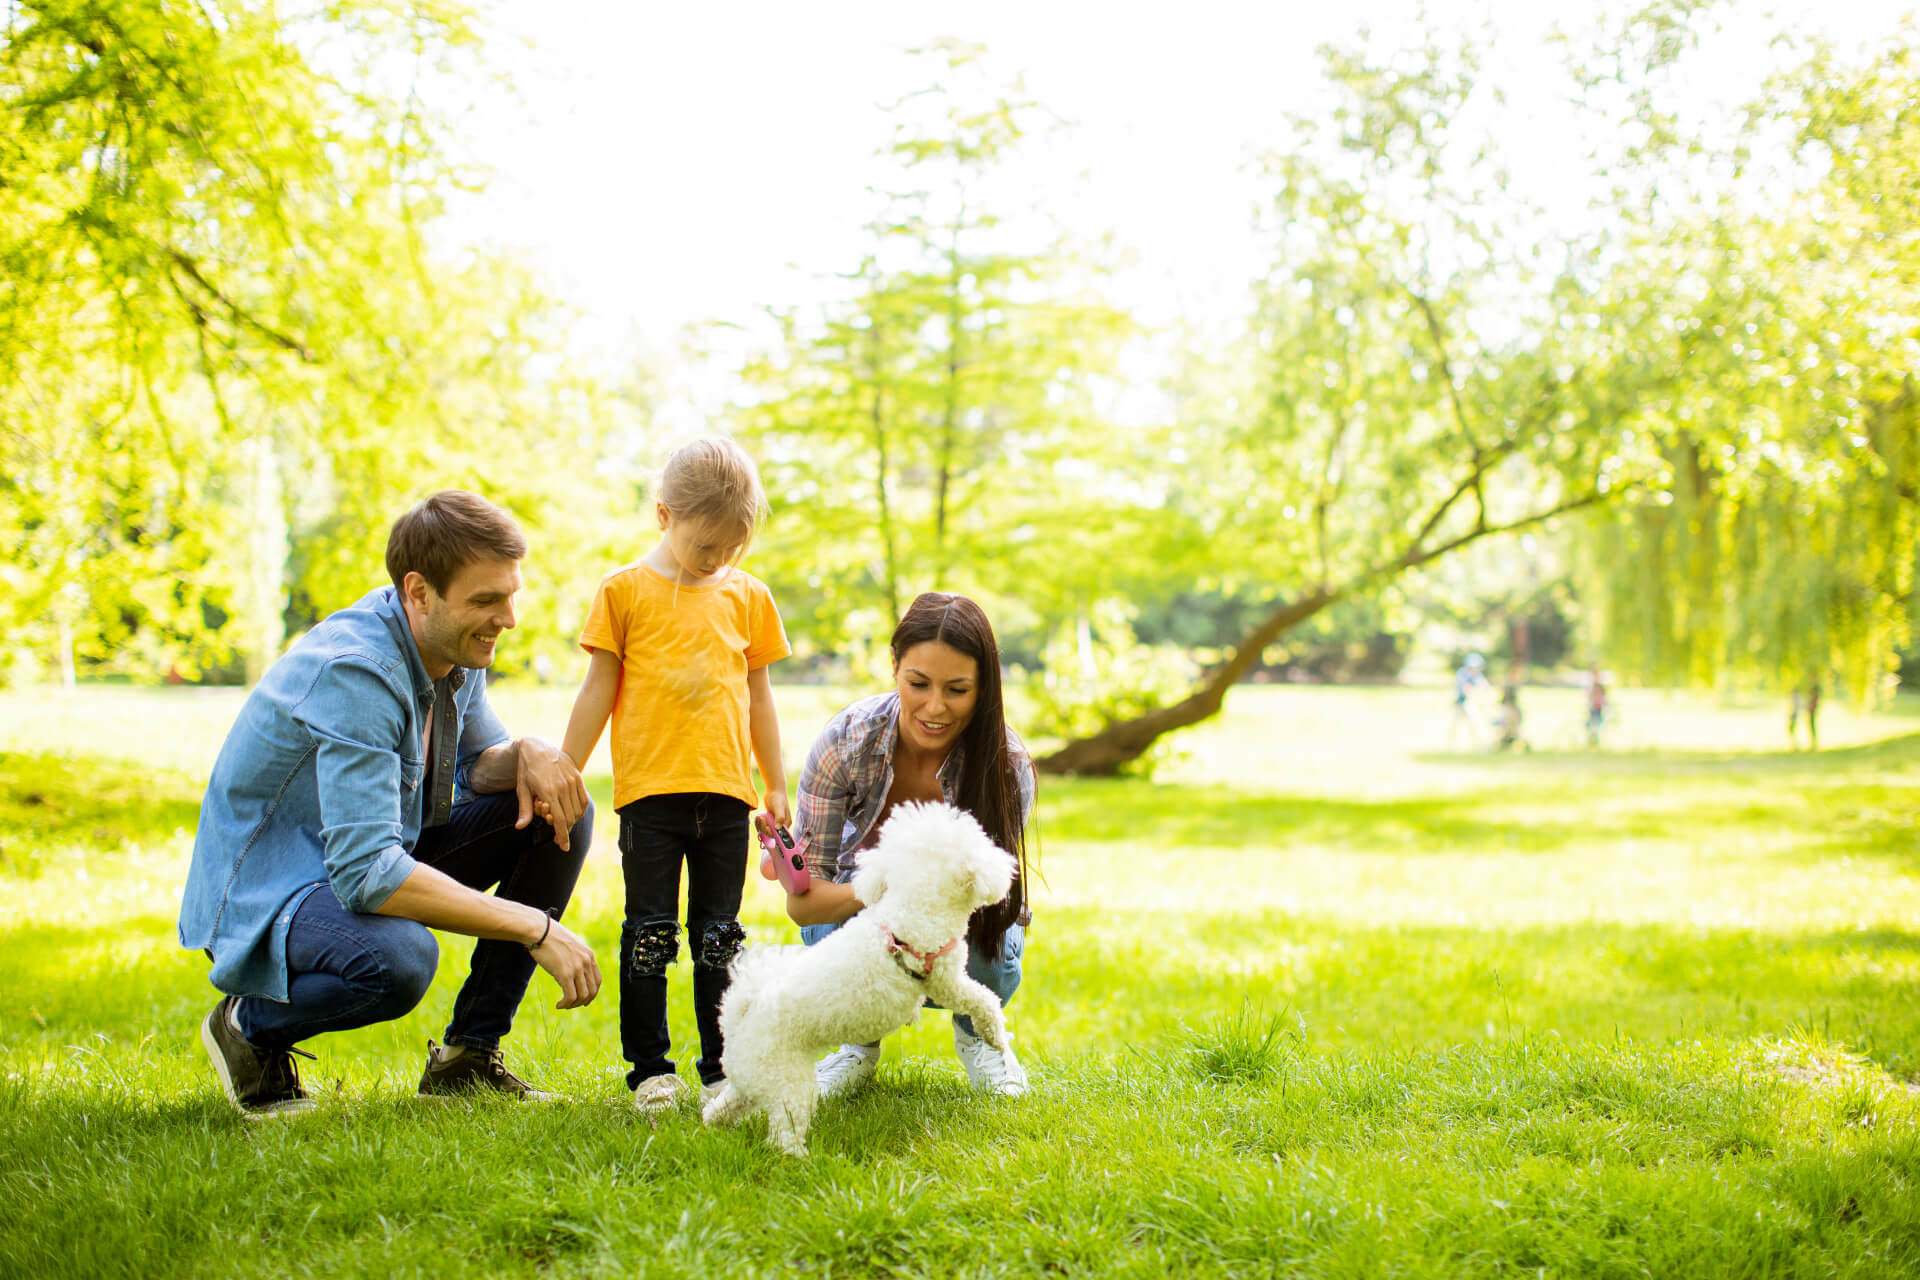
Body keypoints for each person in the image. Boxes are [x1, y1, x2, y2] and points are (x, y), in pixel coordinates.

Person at [179, 492, 600, 1118]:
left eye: (511, 595)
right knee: (398, 959)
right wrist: (534, 927)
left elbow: (478, 768)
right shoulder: (358, 671)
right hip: (272, 890)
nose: (507, 618)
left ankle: (469, 1059)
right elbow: (367, 874)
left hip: (367, 850)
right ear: (419, 590)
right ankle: (249, 1026)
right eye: (486, 600)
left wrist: (530, 753)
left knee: (557, 812)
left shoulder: (453, 647)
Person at [560, 437, 791, 1114]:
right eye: (705, 546)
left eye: (730, 549)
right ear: (663, 516)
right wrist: (565, 773)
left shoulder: (749, 598)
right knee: (650, 935)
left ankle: (723, 1067)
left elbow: (761, 697)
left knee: (720, 937)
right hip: (651, 800)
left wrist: (774, 782)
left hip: (726, 799)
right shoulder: (623, 593)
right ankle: (651, 1070)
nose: (717, 560)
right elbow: (596, 691)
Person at [778, 592, 1037, 1099]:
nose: (934, 707)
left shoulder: (1005, 763)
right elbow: (804, 904)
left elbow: (992, 893)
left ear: (983, 688)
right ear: (894, 666)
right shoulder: (844, 742)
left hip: (956, 924)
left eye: (957, 690)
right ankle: (855, 1042)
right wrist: (887, 893)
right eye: (918, 683)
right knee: (836, 927)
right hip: (858, 915)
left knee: (989, 942)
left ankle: (980, 1037)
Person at [1447, 652, 1489, 749]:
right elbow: (1465, 688)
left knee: (1474, 724)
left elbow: (1484, 685)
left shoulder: (1477, 675)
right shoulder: (1462, 673)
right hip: (1460, 703)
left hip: (1469, 703)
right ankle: (1450, 745)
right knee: (1455, 724)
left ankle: (1477, 745)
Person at [1584, 662, 1609, 747]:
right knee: (1592, 725)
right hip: (1593, 708)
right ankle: (1592, 742)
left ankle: (1594, 742)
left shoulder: (1599, 685)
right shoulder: (1591, 684)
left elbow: (1603, 697)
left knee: (1596, 725)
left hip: (1598, 708)